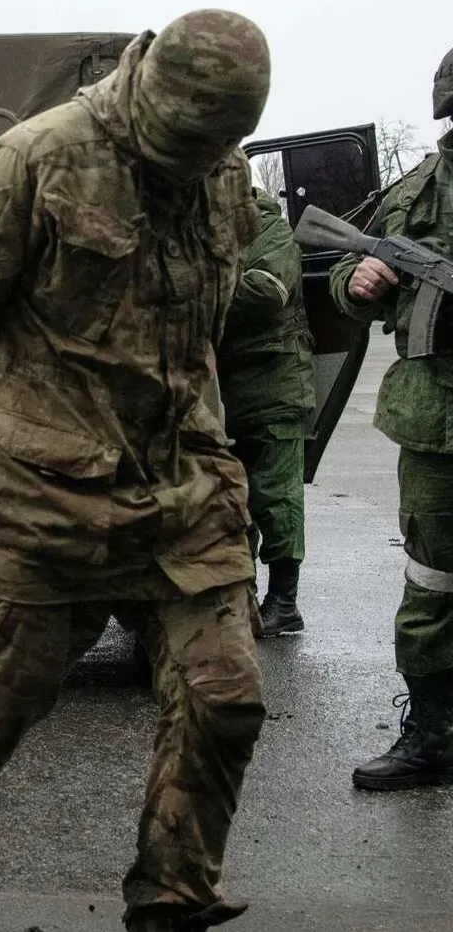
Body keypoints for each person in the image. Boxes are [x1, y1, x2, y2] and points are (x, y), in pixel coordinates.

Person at [0, 12, 272, 932]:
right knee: (2, 696)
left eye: (215, 143)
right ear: (147, 86)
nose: (196, 157)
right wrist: (34, 415)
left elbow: (213, 315)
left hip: (182, 481)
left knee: (224, 694)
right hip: (45, 489)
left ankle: (170, 888)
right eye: (185, 138)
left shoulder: (222, 176)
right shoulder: (33, 160)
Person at [343, 45, 453, 792]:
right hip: (437, 420)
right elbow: (341, 293)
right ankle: (432, 737)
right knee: (434, 579)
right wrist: (358, 281)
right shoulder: (415, 191)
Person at [217, 187, 313, 639]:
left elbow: (266, 294)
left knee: (275, 498)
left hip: (276, 388)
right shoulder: (207, 230)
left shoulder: (269, 230)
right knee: (233, 502)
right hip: (226, 394)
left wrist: (203, 281)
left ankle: (284, 602)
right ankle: (244, 595)